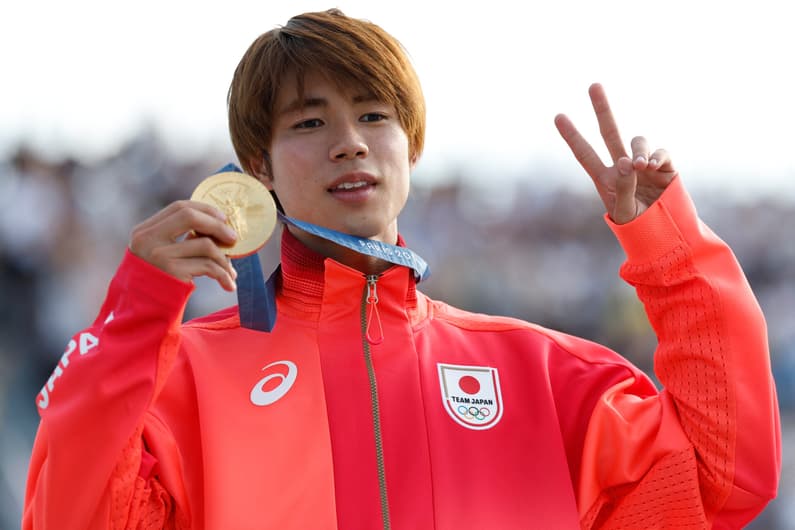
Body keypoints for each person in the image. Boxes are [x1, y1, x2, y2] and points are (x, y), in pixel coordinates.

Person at [23, 8, 780, 530]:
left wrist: (665, 241)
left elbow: (724, 478)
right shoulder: (182, 378)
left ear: (410, 146)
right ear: (258, 167)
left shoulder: (547, 374)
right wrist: (136, 313)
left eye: (374, 115)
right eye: (310, 122)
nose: (349, 142)